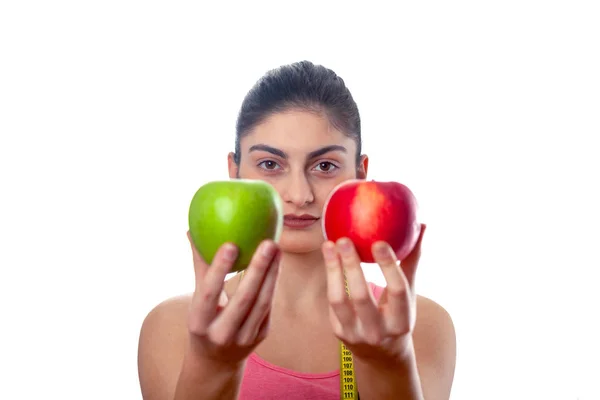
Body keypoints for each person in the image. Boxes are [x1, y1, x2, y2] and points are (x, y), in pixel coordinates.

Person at [137, 60, 456, 400]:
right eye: (271, 164)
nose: (299, 195)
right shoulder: (172, 327)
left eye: (324, 166)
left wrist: (390, 364)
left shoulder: (418, 327)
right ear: (235, 171)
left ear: (360, 174)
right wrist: (211, 365)